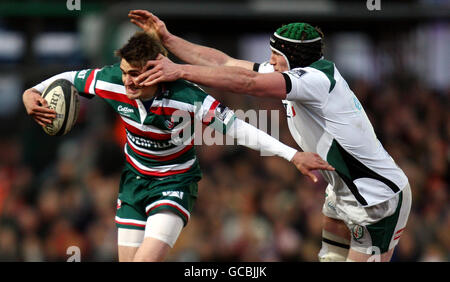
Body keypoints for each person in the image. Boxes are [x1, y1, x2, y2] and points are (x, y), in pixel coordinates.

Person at [128, 10, 412, 262]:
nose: (271, 61)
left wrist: (179, 71)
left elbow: (246, 82)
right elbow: (225, 64)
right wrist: (168, 39)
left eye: (277, 55)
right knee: (330, 258)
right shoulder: (302, 74)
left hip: (376, 200)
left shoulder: (315, 81)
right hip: (343, 193)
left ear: (294, 58)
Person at [22, 32, 334, 262]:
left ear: (156, 71)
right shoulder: (111, 79)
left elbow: (239, 129)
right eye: (125, 72)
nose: (127, 81)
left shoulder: (188, 98)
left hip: (174, 183)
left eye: (135, 75)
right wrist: (30, 93)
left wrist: (292, 154)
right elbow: (69, 79)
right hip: (133, 183)